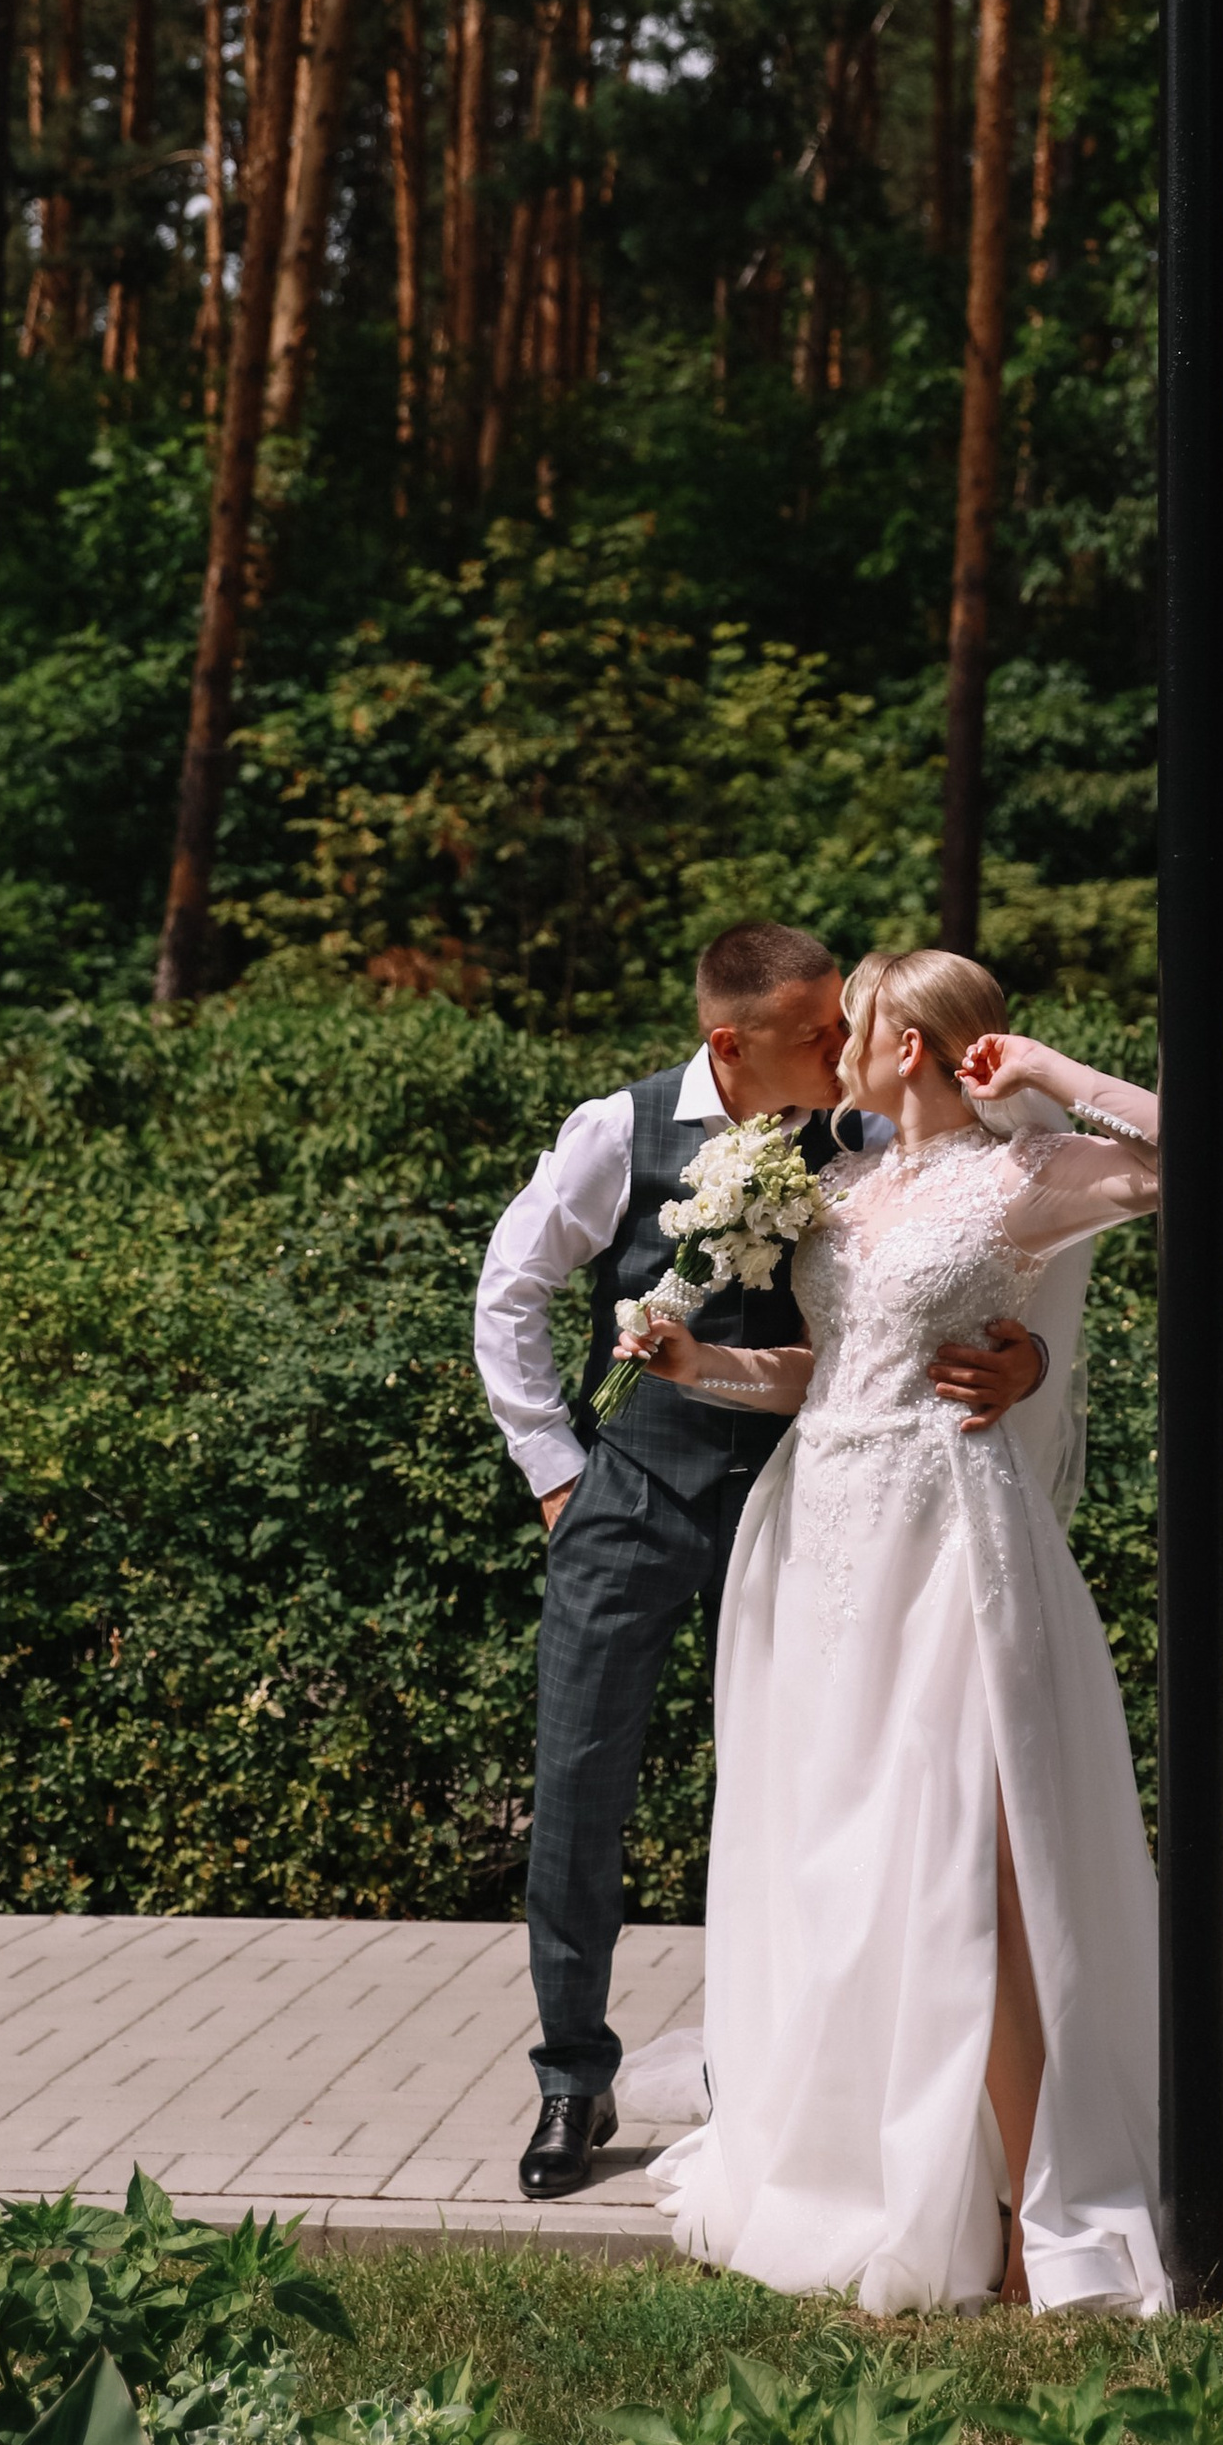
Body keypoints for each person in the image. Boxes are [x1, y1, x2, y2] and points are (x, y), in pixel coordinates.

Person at [625, 946, 1223, 2313]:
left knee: (977, 1864)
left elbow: (1195, 1158)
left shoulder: (1025, 1181)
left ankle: (1047, 2212)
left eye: (858, 1021)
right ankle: (903, 2164)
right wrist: (700, 1365)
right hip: (824, 1539)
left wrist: (1045, 1075)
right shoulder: (837, 1187)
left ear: (907, 1043)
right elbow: (823, 1372)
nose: (839, 1039)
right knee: (853, 1864)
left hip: (950, 1544)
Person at [473, 918, 1053, 2200]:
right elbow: (510, 1287)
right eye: (812, 1030)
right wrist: (556, 1473)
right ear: (728, 1044)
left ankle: (781, 2064)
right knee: (578, 1782)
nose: (839, 1046)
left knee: (805, 1787)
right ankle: (573, 2077)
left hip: (805, 1501)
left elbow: (977, 1270)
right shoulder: (617, 1132)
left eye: (844, 1021)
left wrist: (1030, 1361)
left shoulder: (867, 1142)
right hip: (625, 1495)